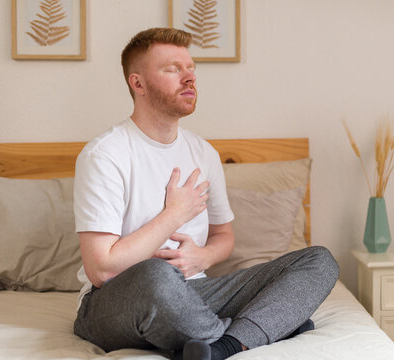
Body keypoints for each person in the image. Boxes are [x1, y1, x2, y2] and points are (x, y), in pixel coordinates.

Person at [73, 27, 339, 360]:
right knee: (157, 276)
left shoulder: (204, 153)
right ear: (137, 83)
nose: (189, 78)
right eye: (172, 69)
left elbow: (223, 236)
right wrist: (174, 215)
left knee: (319, 261)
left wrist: (203, 257)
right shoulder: (105, 154)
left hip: (196, 293)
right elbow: (103, 270)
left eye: (191, 69)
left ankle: (220, 347)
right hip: (116, 300)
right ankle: (263, 327)